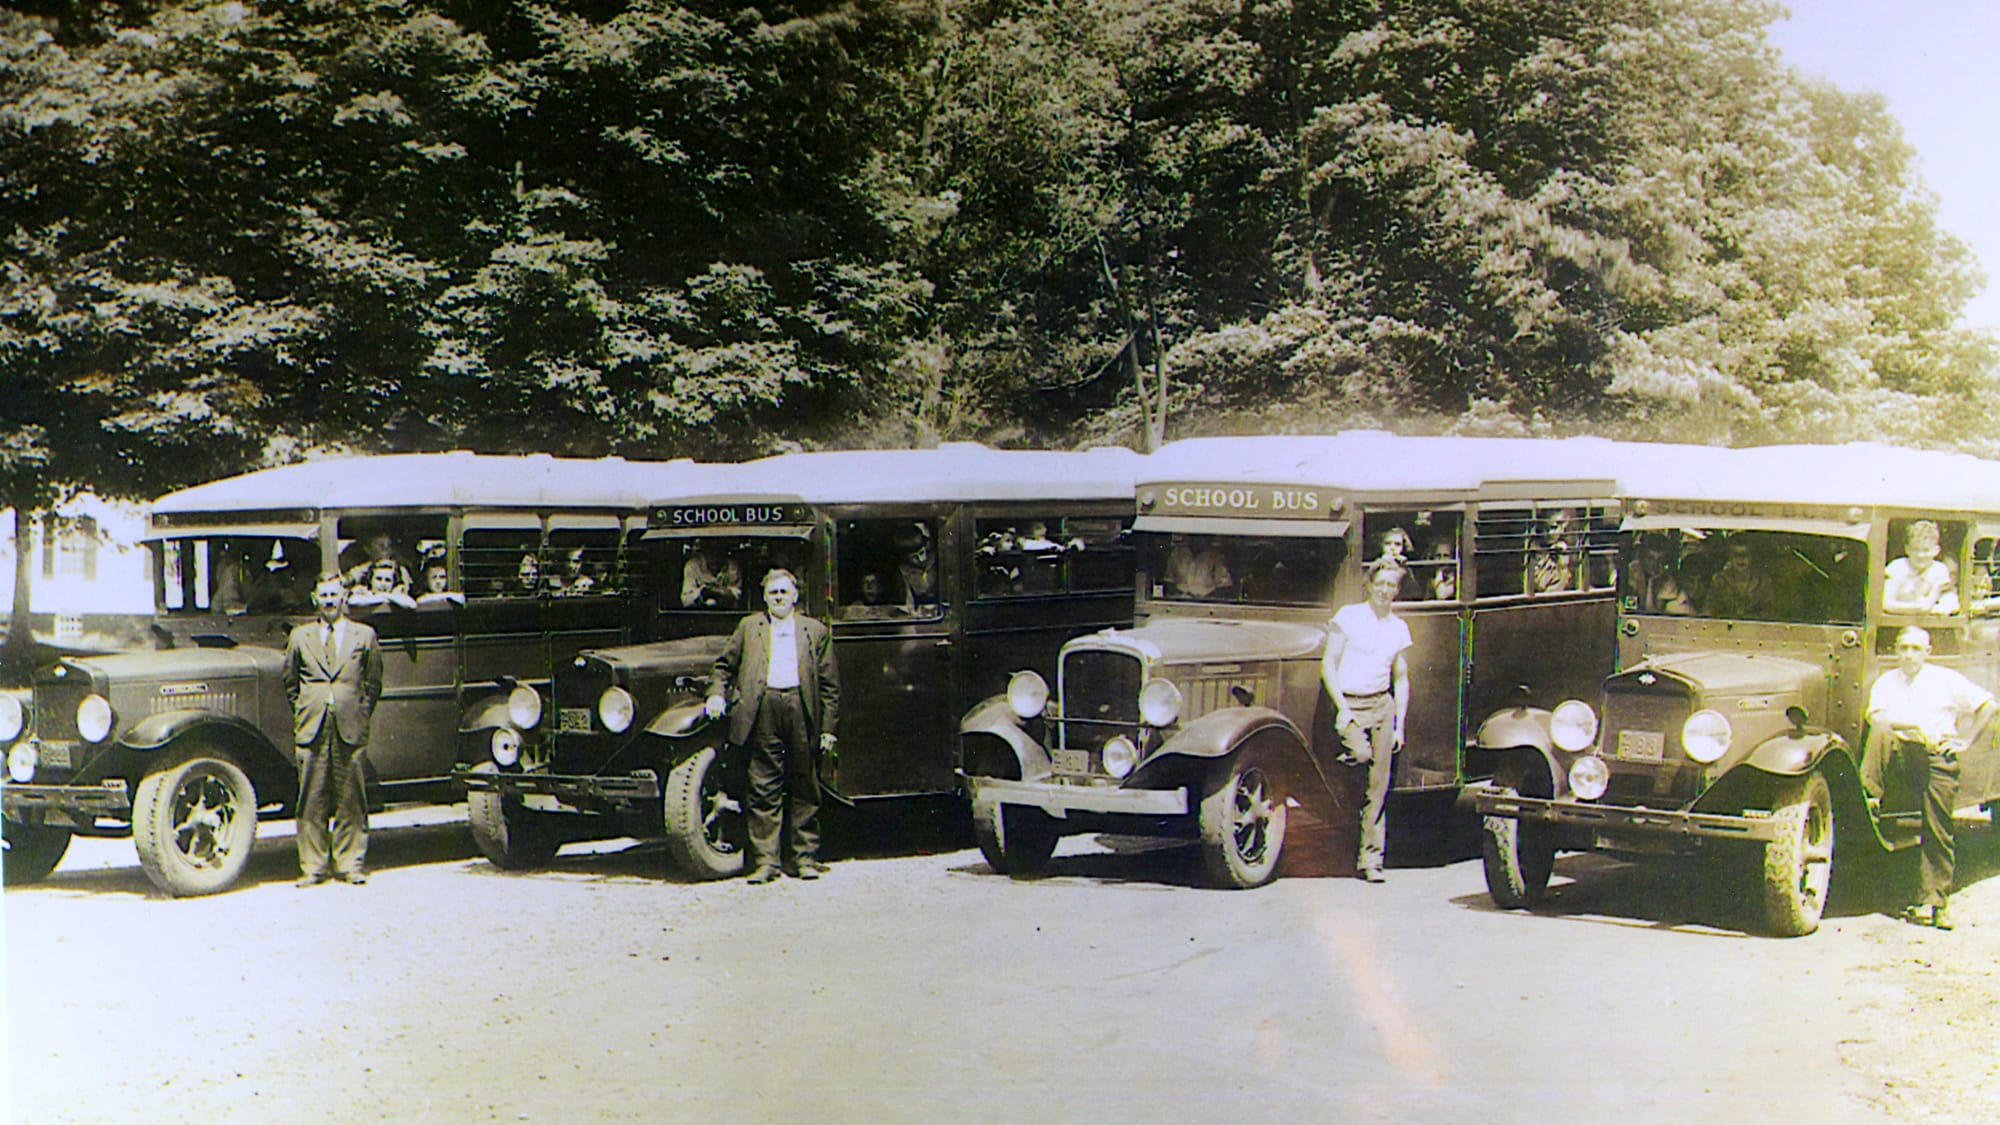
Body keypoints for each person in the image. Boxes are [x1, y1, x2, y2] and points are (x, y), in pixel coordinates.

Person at [704, 569, 841, 884]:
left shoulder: (814, 631)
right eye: (772, 593)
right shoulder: (749, 627)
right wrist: (716, 695)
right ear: (764, 597)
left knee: (804, 785)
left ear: (795, 596)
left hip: (801, 709)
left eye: (783, 592)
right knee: (763, 786)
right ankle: (767, 862)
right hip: (762, 709)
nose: (778, 598)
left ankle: (804, 859)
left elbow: (830, 686)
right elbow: (723, 667)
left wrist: (829, 729)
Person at [1863, 626, 1997, 930]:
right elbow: (1877, 717)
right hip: (1901, 756)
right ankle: (1870, 793)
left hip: (1936, 756)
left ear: (1928, 651)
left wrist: (1965, 740)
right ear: (1896, 650)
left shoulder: (1944, 679)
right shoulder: (1887, 682)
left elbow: (1988, 704)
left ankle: (1937, 903)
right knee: (1882, 730)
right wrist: (1911, 724)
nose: (1909, 655)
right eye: (1903, 648)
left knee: (1938, 828)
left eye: (1915, 649)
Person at [283, 575, 384, 887]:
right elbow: (290, 682)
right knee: (311, 798)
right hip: (312, 726)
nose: (329, 600)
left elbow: (373, 682)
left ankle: (349, 864)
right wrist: (307, 708)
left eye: (334, 595)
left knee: (350, 797)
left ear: (345, 598)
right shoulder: (300, 637)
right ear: (315, 598)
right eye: (323, 595)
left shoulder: (364, 635)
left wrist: (357, 710)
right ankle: (313, 867)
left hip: (349, 725)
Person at [1321, 561, 1412, 884]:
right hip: (1351, 703)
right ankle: (1347, 821)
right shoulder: (1348, 616)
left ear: (1396, 591)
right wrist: (1343, 709)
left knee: (1379, 785)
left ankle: (1370, 860)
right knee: (1359, 756)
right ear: (1370, 585)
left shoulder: (1398, 627)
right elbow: (1328, 665)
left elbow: (1400, 679)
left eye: (1391, 586)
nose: (1385, 591)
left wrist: (1399, 723)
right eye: (1380, 584)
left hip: (1382, 706)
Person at [1885, 520, 1959, 614]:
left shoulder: (1940, 569)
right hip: (1897, 622)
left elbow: (1934, 601)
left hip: (1927, 623)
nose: (1920, 555)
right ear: (1907, 549)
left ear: (1936, 550)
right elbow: (1887, 604)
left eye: (1926, 550)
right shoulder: (1897, 567)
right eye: (1916, 549)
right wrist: (1916, 608)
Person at [1703, 538, 1772, 618]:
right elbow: (1709, 610)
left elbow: (1768, 612)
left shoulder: (1762, 581)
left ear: (1752, 557)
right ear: (1729, 557)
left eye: (1745, 555)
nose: (1741, 559)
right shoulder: (1719, 580)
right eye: (1736, 555)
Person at [1165, 535, 1232, 598]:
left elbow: (1224, 586)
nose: (1196, 539)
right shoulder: (1178, 553)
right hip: (1181, 601)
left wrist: (1206, 598)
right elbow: (1169, 581)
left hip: (1205, 603)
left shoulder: (1214, 556)